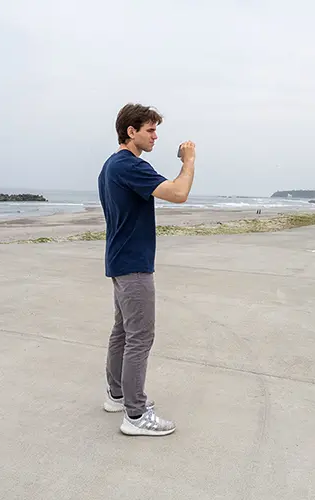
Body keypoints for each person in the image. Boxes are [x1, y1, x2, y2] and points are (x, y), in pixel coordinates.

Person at [97, 103, 196, 436]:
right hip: (134, 266)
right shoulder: (129, 166)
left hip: (119, 261)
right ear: (131, 132)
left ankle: (117, 395)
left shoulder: (109, 167)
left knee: (123, 332)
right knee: (140, 337)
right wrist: (189, 161)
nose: (155, 136)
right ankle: (136, 415)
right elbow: (179, 193)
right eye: (150, 130)